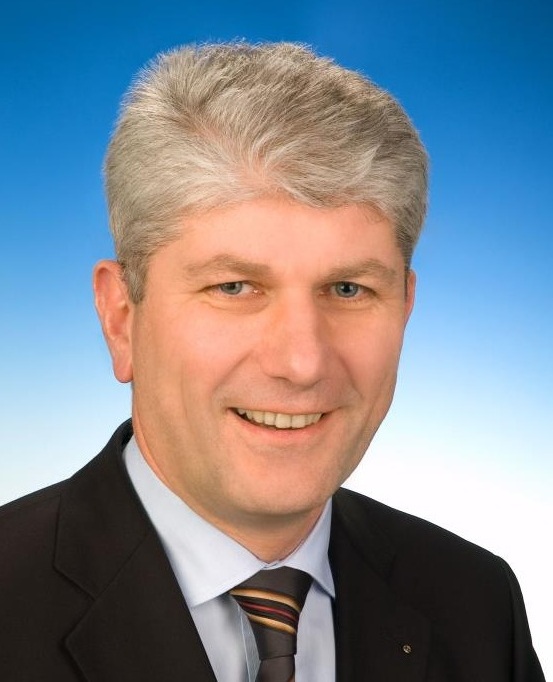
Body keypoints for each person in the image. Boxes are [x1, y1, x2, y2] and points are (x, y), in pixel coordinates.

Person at [0, 42, 544, 681]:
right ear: (121, 317)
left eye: (348, 289)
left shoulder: (476, 603)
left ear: (405, 307)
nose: (302, 362)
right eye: (234, 287)